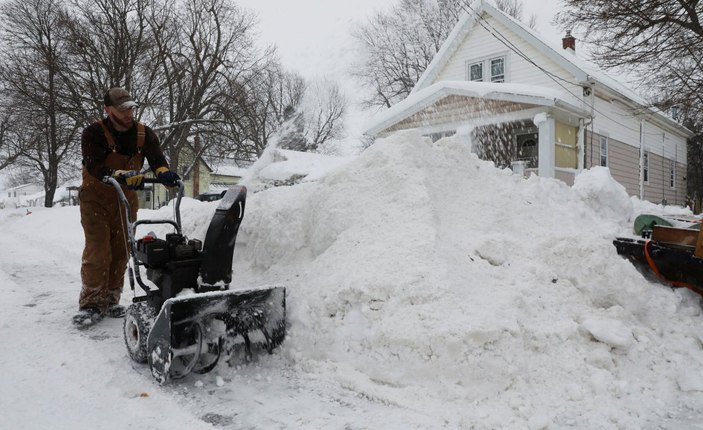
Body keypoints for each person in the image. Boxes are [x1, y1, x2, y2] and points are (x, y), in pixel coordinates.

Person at [73, 87, 180, 327]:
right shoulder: (94, 133)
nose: (128, 113)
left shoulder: (144, 134)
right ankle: (91, 303)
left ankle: (111, 300)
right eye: (122, 109)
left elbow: (157, 160)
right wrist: (119, 173)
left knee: (122, 249)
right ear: (108, 109)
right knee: (98, 249)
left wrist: (164, 173)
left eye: (131, 108)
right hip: (95, 198)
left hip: (125, 199)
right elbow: (94, 165)